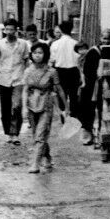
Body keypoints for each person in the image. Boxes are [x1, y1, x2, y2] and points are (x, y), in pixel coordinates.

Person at [22, 41, 65, 173]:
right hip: (31, 104)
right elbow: (25, 89)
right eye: (35, 53)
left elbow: (59, 90)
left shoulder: (52, 72)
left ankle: (35, 163)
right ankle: (46, 156)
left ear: (45, 54)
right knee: (36, 134)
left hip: (46, 104)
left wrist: (65, 109)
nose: (37, 55)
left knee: (40, 135)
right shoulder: (28, 71)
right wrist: (24, 107)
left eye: (40, 53)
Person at [0, 16, 30, 142]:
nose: (9, 32)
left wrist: (28, 77)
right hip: (4, 79)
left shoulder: (23, 44)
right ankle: (8, 133)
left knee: (17, 106)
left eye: (11, 29)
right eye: (7, 29)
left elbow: (27, 60)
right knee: (5, 107)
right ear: (4, 30)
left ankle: (15, 133)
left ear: (16, 30)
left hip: (19, 79)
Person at [48, 18, 81, 120]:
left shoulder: (55, 44)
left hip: (60, 71)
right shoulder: (76, 43)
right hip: (74, 71)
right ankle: (73, 116)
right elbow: (79, 59)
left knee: (61, 94)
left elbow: (52, 60)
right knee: (73, 94)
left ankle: (63, 114)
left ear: (61, 30)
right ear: (71, 29)